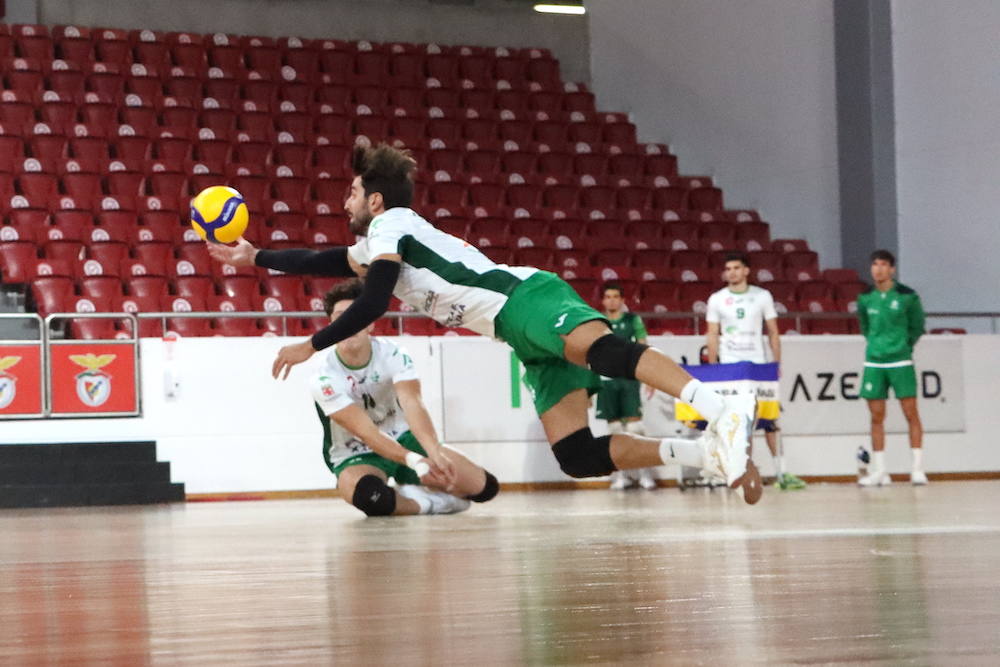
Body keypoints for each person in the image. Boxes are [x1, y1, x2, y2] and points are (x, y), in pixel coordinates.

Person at [207, 142, 763, 504]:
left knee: (605, 350)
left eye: (351, 192)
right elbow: (326, 260)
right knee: (575, 454)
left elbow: (373, 298)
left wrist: (311, 343)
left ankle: (719, 408)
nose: (342, 199)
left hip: (525, 299)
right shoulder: (384, 239)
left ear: (375, 199)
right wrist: (255, 259)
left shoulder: (391, 224)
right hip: (514, 332)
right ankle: (703, 452)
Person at [310, 278, 499, 516]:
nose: (347, 323)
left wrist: (432, 452)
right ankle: (427, 503)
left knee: (486, 488)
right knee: (373, 499)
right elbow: (367, 433)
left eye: (355, 315)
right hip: (356, 452)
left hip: (403, 437)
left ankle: (412, 482)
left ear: (370, 324)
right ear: (329, 325)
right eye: (339, 318)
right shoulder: (323, 375)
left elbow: (413, 404)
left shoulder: (393, 354)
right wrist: (414, 461)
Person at [705, 252, 806, 490]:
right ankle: (732, 472)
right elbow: (712, 334)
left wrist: (775, 363)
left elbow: (772, 331)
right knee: (732, 421)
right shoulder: (717, 299)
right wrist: (713, 369)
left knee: (770, 419)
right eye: (728, 268)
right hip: (730, 367)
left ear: (746, 270)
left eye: (736, 267)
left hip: (758, 365)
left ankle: (781, 472)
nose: (732, 272)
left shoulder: (762, 296)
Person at [856, 249, 926, 486]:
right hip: (874, 361)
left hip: (901, 360)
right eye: (874, 264)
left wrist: (903, 347)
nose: (878, 269)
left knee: (910, 412)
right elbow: (865, 327)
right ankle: (880, 471)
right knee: (876, 415)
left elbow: (917, 326)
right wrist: (877, 345)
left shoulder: (907, 296)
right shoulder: (865, 297)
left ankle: (916, 468)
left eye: (883, 264)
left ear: (892, 269)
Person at [596, 282, 657, 490]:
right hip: (606, 381)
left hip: (629, 379)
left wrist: (650, 377)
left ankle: (645, 474)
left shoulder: (633, 320)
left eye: (616, 296)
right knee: (614, 430)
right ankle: (620, 476)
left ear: (622, 300)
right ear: (603, 300)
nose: (612, 300)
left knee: (635, 428)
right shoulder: (597, 322)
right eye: (608, 296)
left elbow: (643, 348)